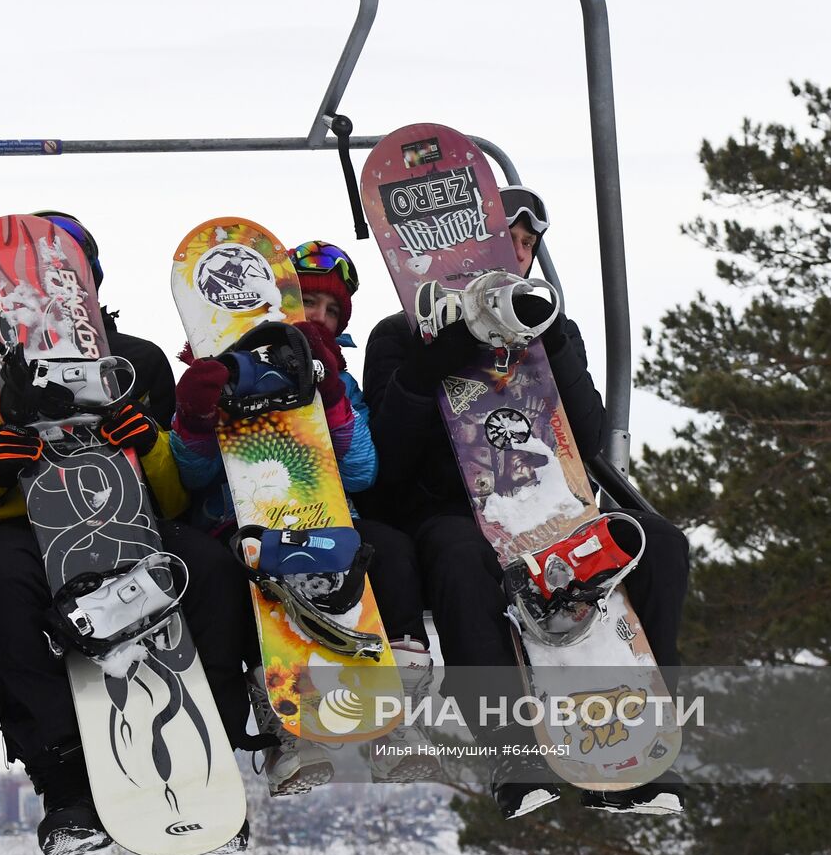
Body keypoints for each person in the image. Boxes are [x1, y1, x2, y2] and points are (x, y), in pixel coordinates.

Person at [0, 212, 250, 855]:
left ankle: (215, 750)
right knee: (5, 589)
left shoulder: (132, 362)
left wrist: (147, 444)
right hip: (13, 523)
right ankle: (64, 777)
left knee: (205, 568)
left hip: (120, 517)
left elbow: (173, 494)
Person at [362, 186, 691, 817]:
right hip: (451, 510)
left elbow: (590, 439)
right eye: (503, 239)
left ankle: (648, 739)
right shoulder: (401, 335)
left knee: (662, 547)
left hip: (549, 507)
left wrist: (555, 344)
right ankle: (514, 755)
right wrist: (433, 368)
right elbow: (386, 462)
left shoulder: (552, 330)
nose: (515, 253)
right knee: (462, 561)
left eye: (525, 244)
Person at [169, 237, 434, 792]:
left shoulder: (338, 378)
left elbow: (361, 470)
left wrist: (332, 395)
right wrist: (195, 416)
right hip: (238, 520)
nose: (318, 316)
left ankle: (394, 719)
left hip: (328, 515)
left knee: (386, 555)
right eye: (308, 302)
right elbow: (189, 477)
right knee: (250, 587)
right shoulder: (212, 369)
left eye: (332, 310)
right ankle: (291, 731)